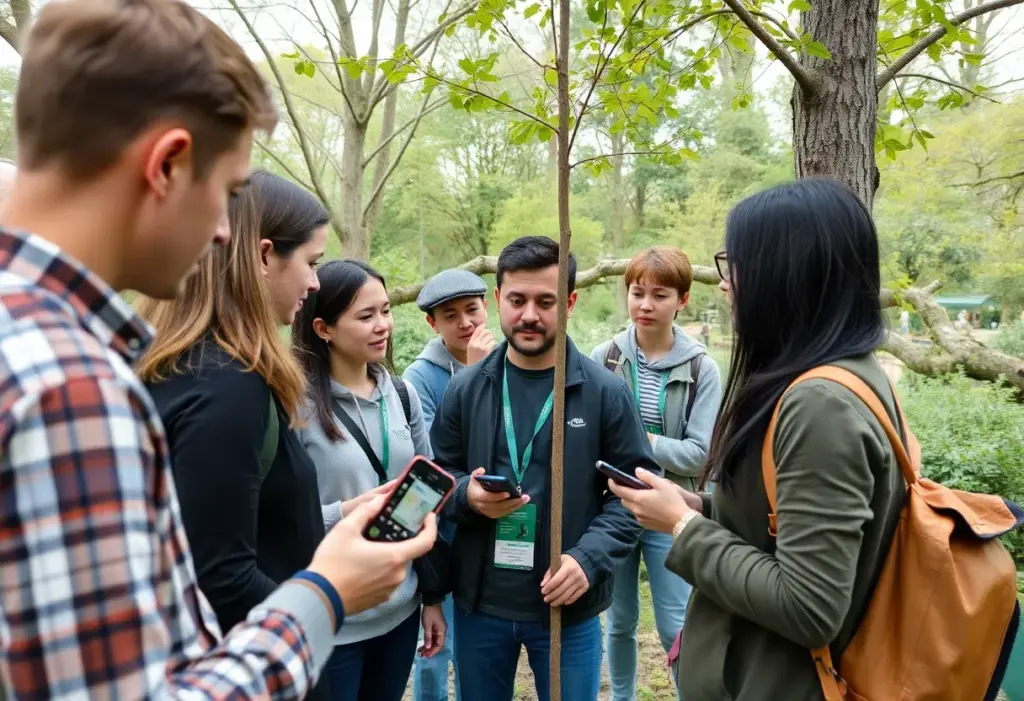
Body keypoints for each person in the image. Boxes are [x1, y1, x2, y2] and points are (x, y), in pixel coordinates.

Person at [0, 1, 436, 697]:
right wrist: (325, 593)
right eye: (229, 191)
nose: (226, 235)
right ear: (168, 163)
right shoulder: (69, 386)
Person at [609, 179, 905, 701]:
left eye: (736, 265)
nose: (725, 285)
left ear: (788, 273)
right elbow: (782, 520)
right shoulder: (849, 373)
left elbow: (809, 606)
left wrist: (681, 524)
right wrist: (700, 502)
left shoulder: (821, 406)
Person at [429, 235, 657, 701]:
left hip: (566, 608)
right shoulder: (467, 389)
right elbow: (437, 478)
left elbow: (634, 498)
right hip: (479, 606)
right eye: (516, 300)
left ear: (569, 302)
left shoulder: (604, 393)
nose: (529, 314)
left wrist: (587, 559)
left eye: (545, 301)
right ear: (498, 300)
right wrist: (465, 497)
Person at [136, 171, 332, 698]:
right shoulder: (228, 388)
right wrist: (326, 604)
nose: (315, 284)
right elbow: (220, 577)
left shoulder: (170, 367)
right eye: (311, 263)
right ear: (265, 255)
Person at [293, 259, 445, 701]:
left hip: (399, 610)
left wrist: (430, 596)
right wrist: (342, 513)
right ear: (323, 328)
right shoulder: (291, 404)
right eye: (366, 316)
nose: (383, 326)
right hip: (331, 616)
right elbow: (275, 516)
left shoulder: (401, 393)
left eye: (385, 311)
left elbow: (423, 487)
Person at [590, 246, 722, 701]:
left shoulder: (703, 367)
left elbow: (700, 454)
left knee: (674, 622)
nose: (645, 305)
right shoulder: (602, 356)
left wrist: (638, 440)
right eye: (637, 292)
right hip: (613, 508)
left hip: (671, 511)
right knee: (620, 620)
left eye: (659, 295)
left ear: (681, 301)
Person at [403, 268, 497, 701]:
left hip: (486, 518)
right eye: (450, 315)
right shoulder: (419, 377)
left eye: (472, 310)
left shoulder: (508, 357)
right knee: (435, 640)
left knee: (476, 645)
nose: (465, 323)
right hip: (438, 526)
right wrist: (472, 378)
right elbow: (431, 454)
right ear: (432, 323)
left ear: (488, 307)